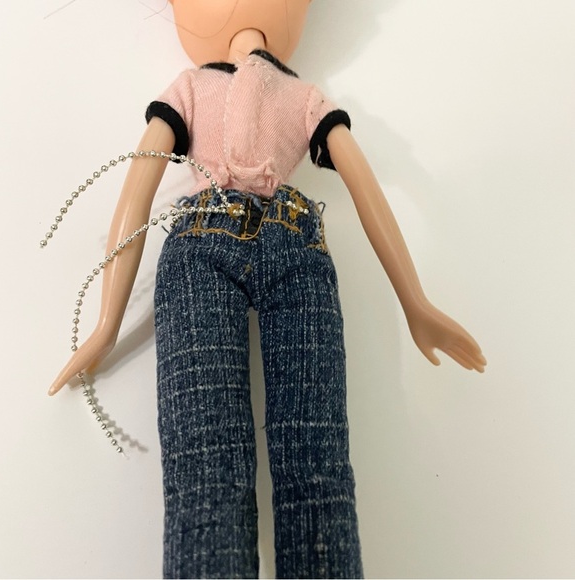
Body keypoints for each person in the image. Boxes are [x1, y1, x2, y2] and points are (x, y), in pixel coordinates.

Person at [48, 1, 486, 577]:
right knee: (207, 468)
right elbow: (139, 182)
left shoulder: (306, 99)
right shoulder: (191, 87)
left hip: (296, 246)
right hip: (202, 246)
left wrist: (416, 302)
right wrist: (107, 321)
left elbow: (364, 187)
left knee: (318, 464)